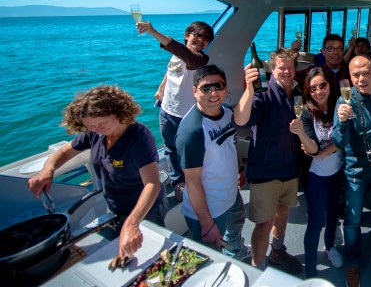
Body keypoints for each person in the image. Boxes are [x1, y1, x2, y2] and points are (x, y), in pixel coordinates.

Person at [28, 86, 166, 260]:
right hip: (114, 206)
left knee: (150, 259)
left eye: (102, 124)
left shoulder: (140, 138)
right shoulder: (95, 133)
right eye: (91, 126)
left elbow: (152, 184)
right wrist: (48, 170)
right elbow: (64, 152)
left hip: (146, 210)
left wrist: (132, 223)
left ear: (119, 113)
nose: (97, 130)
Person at [236, 47, 304, 274]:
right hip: (265, 171)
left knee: (284, 212)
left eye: (291, 68)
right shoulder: (261, 94)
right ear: (271, 70)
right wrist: (248, 89)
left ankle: (277, 251)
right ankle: (258, 268)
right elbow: (241, 119)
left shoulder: (296, 93)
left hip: (290, 168)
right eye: (282, 68)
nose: (287, 72)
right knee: (264, 223)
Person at [332, 55, 371, 287]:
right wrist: (342, 122)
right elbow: (339, 141)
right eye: (355, 75)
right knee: (352, 220)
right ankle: (353, 262)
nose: (361, 79)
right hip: (356, 168)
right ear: (349, 78)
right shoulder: (344, 102)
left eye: (365, 73)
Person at [136, 20, 214, 202]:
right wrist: (161, 88)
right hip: (167, 111)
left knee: (191, 151)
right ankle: (179, 183)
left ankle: (198, 182)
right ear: (187, 35)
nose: (201, 40)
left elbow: (180, 51)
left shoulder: (200, 59)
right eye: (197, 35)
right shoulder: (176, 55)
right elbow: (171, 70)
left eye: (206, 38)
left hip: (187, 116)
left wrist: (152, 31)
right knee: (170, 149)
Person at [175, 65, 249, 258]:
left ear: (226, 88)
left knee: (236, 226)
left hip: (230, 195)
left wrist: (239, 170)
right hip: (209, 211)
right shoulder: (192, 131)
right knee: (209, 258)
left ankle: (235, 253)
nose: (214, 92)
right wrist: (207, 225)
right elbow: (192, 182)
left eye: (218, 86)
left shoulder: (225, 113)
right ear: (194, 91)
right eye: (206, 88)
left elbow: (229, 146)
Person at [288, 67, 345, 278]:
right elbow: (312, 150)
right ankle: (310, 271)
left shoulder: (340, 106)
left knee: (332, 214)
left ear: (330, 84)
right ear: (308, 91)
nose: (319, 91)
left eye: (322, 85)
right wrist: (301, 133)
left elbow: (344, 139)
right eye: (313, 88)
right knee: (314, 222)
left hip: (337, 172)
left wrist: (326, 151)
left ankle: (330, 246)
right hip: (315, 176)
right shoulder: (305, 112)